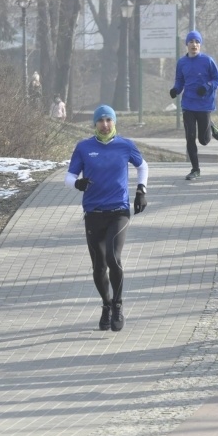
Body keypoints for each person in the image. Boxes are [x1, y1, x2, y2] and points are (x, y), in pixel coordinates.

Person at [64, 105, 148, 332]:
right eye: (100, 120)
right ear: (95, 124)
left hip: (118, 211)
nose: (105, 124)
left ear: (114, 122)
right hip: (93, 213)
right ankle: (106, 304)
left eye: (109, 119)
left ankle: (118, 305)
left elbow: (143, 166)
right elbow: (69, 177)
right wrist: (77, 184)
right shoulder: (84, 147)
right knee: (98, 266)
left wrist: (141, 190)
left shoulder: (125, 145)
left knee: (113, 257)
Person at [169, 30, 218, 181]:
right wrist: (176, 90)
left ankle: (211, 125)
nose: (194, 44)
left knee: (203, 140)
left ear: (200, 45)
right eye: (191, 42)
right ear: (187, 44)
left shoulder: (207, 61)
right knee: (190, 137)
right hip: (188, 104)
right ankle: (195, 169)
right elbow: (179, 81)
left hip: (204, 104)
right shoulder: (182, 62)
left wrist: (207, 86)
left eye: (197, 42)